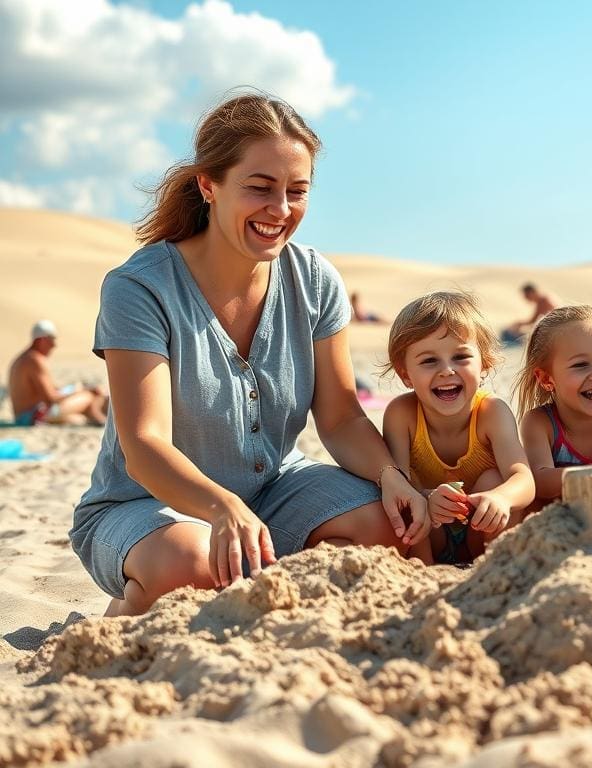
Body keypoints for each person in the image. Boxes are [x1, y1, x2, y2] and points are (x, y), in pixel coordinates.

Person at [69, 92, 428, 617]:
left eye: (297, 191)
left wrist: (390, 475)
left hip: (277, 491)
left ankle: (260, 599)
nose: (280, 210)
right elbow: (144, 445)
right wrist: (222, 509)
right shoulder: (139, 288)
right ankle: (129, 617)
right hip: (146, 508)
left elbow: (343, 418)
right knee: (193, 565)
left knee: (386, 526)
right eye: (260, 188)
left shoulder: (315, 280)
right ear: (208, 185)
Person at [382, 291, 535, 565]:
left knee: (493, 479)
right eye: (429, 361)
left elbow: (524, 479)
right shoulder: (401, 414)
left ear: (484, 363)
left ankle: (495, 568)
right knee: (406, 501)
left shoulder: (492, 412)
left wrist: (499, 498)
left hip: (483, 530)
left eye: (461, 357)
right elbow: (398, 486)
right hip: (432, 535)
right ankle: (422, 572)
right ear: (406, 374)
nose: (447, 371)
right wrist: (428, 499)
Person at [516, 305, 592, 505]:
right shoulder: (541, 423)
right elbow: (540, 481)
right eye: (580, 365)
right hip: (560, 525)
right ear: (547, 379)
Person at [7, 320, 109, 426]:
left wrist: (72, 389)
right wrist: (81, 390)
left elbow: (47, 392)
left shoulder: (24, 358)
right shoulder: (35, 360)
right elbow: (51, 398)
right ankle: (101, 420)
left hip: (23, 417)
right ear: (41, 340)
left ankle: (97, 420)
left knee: (78, 419)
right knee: (89, 396)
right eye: (51, 340)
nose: (54, 345)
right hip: (31, 417)